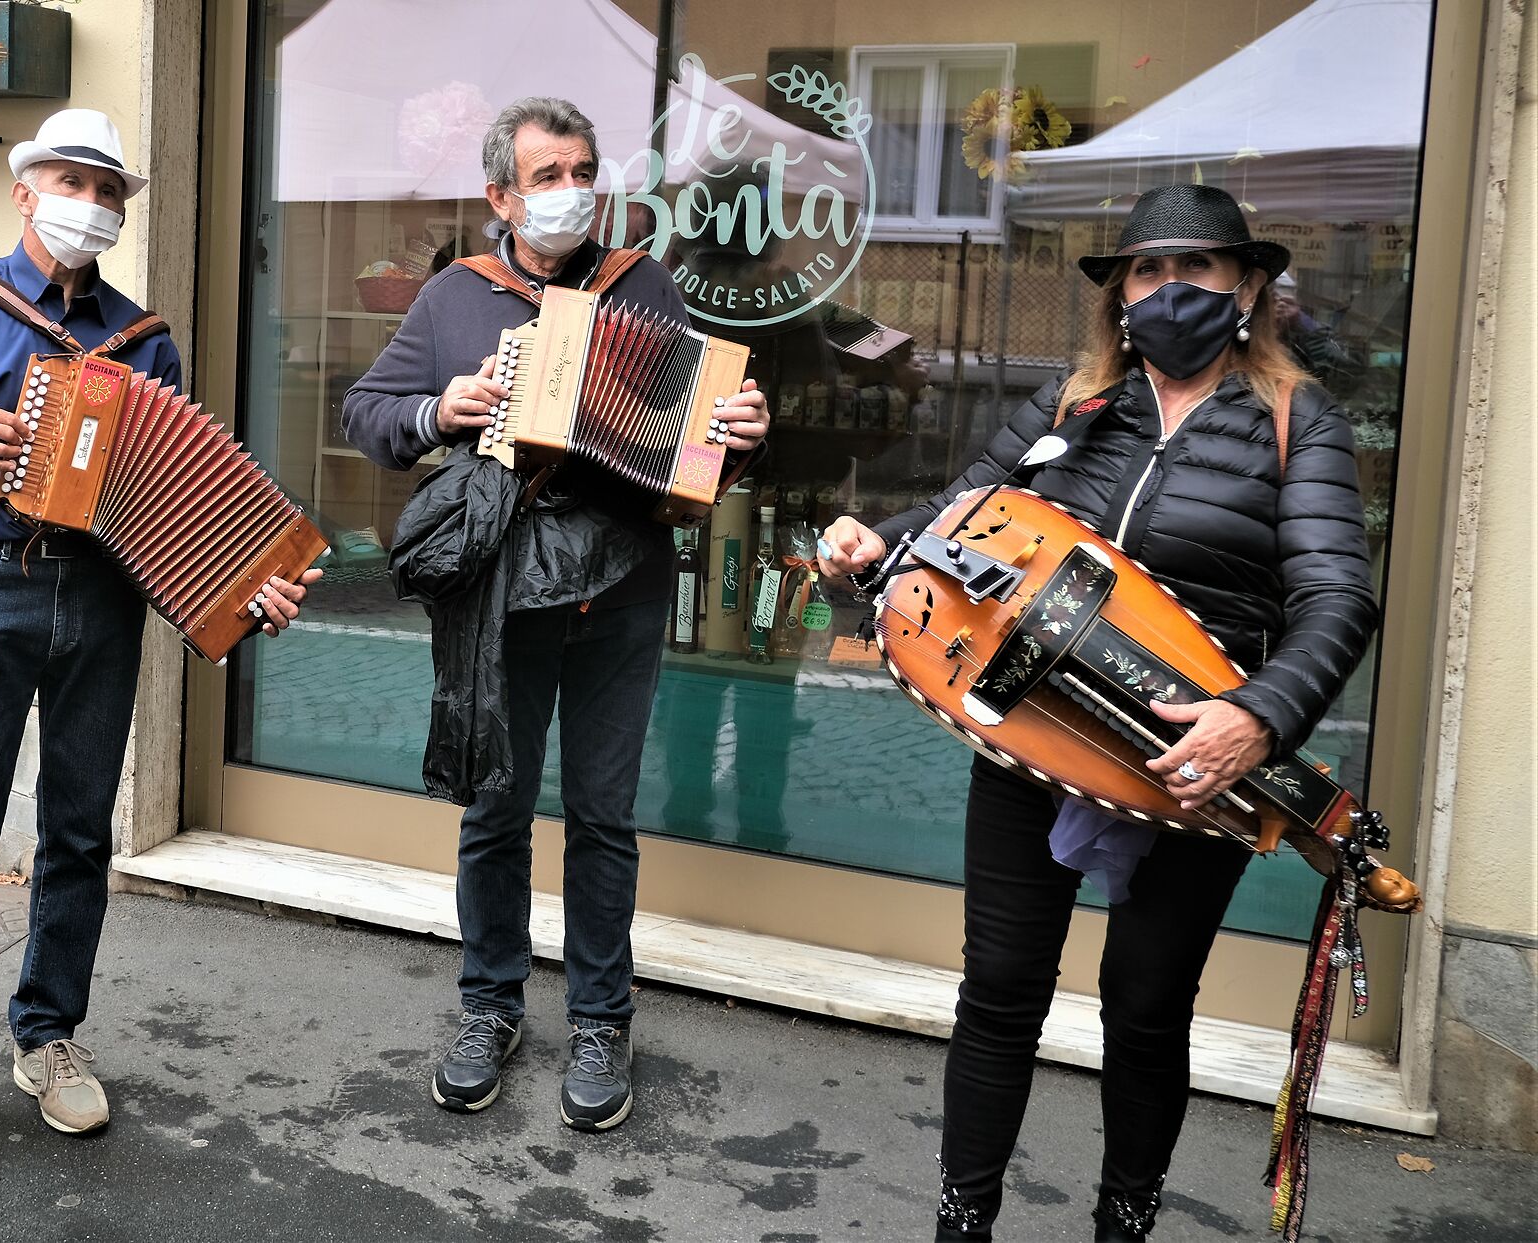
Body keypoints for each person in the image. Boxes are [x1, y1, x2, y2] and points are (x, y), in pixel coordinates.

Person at [816, 184, 1377, 1242]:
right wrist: (869, 541)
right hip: (1036, 732)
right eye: (1148, 272)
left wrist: (1255, 718)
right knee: (1001, 990)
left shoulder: (1300, 420)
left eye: (1196, 270)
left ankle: (1123, 1223)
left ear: (1247, 286)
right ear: (1120, 293)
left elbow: (1337, 597)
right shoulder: (1072, 407)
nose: (1170, 291)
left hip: (1192, 755)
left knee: (1147, 1006)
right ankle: (961, 1219)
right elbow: (963, 517)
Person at [0, 107, 318, 1182]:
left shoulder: (144, 339)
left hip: (102, 600)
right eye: (74, 183)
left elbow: (188, 498)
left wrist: (251, 588)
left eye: (109, 192)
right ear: (25, 188)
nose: (91, 205)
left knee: (81, 832)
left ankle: (45, 1035)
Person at [342, 97, 768, 1133]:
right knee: (495, 808)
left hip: (620, 584)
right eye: (548, 174)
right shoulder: (455, 297)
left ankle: (599, 1018)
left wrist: (741, 431)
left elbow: (693, 433)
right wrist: (438, 409)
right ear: (501, 196)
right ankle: (489, 1005)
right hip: (506, 592)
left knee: (603, 816)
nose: (572, 188)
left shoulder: (645, 283)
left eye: (583, 168)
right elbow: (367, 412)